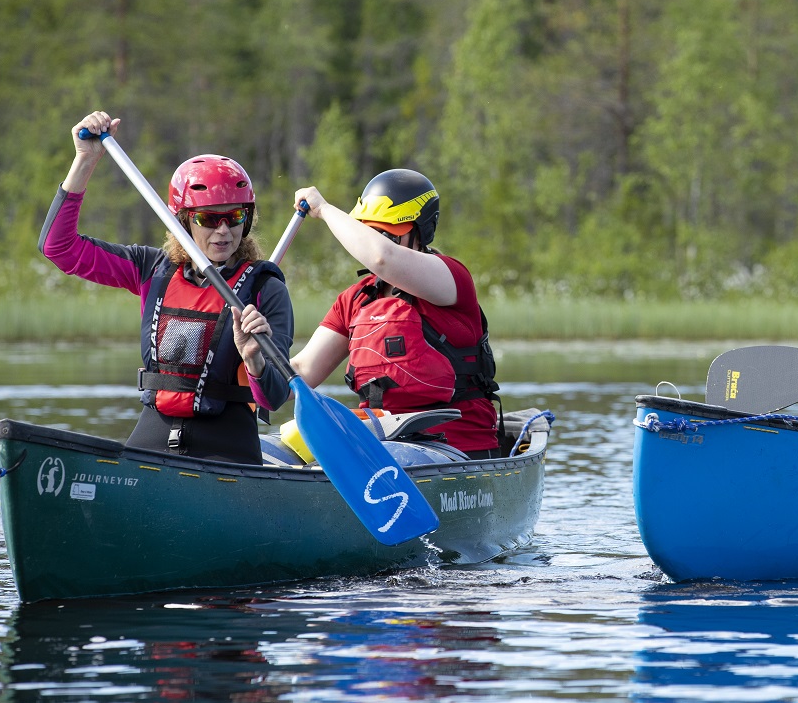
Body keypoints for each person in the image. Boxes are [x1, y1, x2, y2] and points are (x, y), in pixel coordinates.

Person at [39, 111, 294, 465]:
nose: (223, 231)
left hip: (229, 446)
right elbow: (58, 248)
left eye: (234, 217)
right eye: (208, 218)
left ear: (246, 219)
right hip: (153, 435)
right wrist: (85, 159)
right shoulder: (152, 270)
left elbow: (274, 398)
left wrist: (254, 359)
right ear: (184, 220)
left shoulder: (266, 288)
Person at [284, 169, 502, 459]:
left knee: (401, 457)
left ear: (421, 231)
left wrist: (323, 209)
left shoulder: (450, 278)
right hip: (383, 445)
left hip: (458, 447)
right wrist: (252, 361)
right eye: (367, 230)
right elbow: (300, 372)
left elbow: (382, 257)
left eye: (386, 234)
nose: (373, 240)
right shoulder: (356, 299)